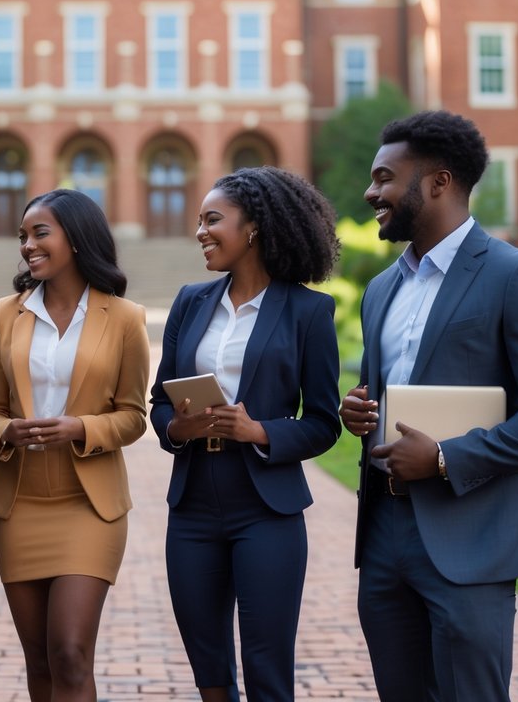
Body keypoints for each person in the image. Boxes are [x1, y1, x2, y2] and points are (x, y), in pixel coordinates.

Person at [339, 110, 518, 702]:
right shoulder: (383, 289)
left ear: (438, 182)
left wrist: (443, 458)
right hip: (384, 536)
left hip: (473, 537)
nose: (371, 192)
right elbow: (385, 391)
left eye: (385, 177)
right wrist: (359, 411)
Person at [149, 167, 341, 702]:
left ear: (253, 226)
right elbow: (159, 403)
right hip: (192, 508)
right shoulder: (190, 301)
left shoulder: (309, 311)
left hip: (267, 509)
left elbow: (324, 423)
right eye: (199, 221)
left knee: (266, 664)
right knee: (208, 665)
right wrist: (178, 429)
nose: (201, 232)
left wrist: (258, 430)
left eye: (213, 220)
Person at [0, 188, 150, 702]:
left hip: (89, 506)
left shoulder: (124, 318)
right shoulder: (5, 314)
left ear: (75, 239)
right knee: (40, 660)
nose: (27, 245)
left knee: (71, 652)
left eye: (40, 233)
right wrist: (5, 432)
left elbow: (133, 417)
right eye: (23, 236)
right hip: (19, 505)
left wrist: (80, 429)